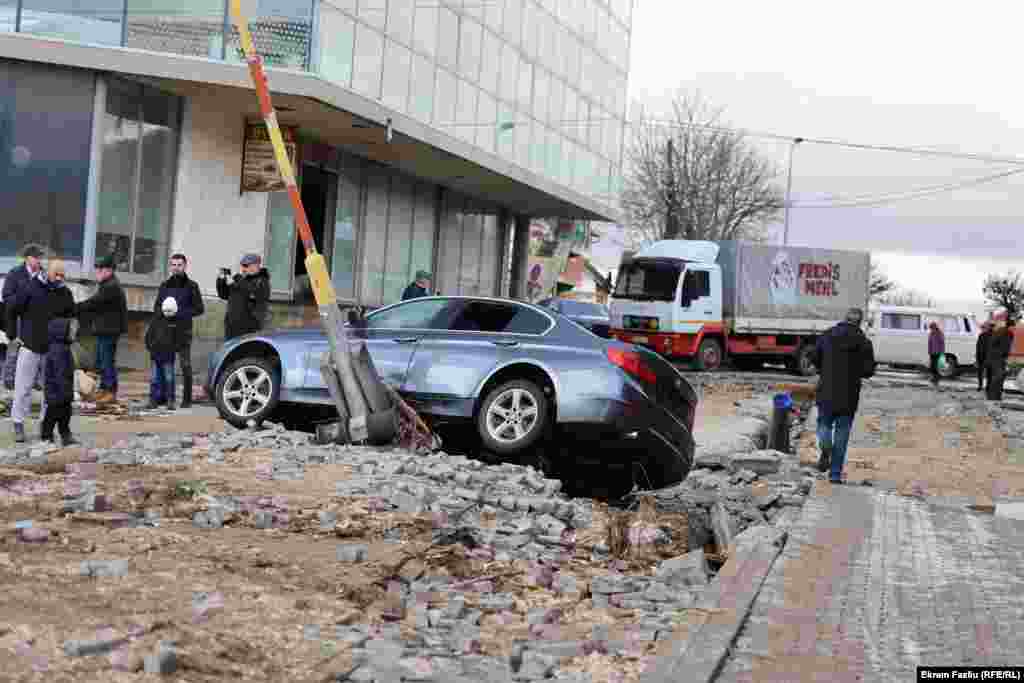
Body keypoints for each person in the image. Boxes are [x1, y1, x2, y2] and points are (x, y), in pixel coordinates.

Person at [7, 260, 75, 443]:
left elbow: (71, 318)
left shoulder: (65, 293)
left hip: (52, 350)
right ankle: (18, 424)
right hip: (29, 345)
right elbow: (12, 307)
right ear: (48, 272)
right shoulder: (31, 287)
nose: (59, 278)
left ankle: (45, 425)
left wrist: (66, 341)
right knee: (23, 387)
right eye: (56, 274)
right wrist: (13, 334)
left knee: (50, 391)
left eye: (62, 275)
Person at [810, 307, 876, 484]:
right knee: (842, 434)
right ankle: (835, 474)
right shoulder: (864, 343)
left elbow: (814, 357)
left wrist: (823, 367)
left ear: (844, 319)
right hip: (849, 396)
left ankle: (825, 447)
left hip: (827, 392)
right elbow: (869, 371)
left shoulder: (827, 336)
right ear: (859, 322)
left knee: (823, 424)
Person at [74, 256, 128, 404]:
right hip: (104, 329)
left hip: (109, 330)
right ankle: (103, 389)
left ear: (109, 270)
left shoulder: (111, 286)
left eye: (100, 269)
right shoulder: (106, 284)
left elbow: (94, 303)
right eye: (97, 269)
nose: (97, 272)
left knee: (107, 361)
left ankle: (110, 391)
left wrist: (73, 308)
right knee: (99, 362)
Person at [154, 254, 205, 408]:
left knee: (185, 365)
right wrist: (163, 312)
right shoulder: (165, 285)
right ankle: (164, 397)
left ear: (185, 266)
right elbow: (157, 306)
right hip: (166, 331)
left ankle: (187, 399)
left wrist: (180, 312)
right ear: (170, 266)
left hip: (183, 331)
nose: (176, 268)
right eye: (173, 265)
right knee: (165, 364)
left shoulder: (192, 286)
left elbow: (199, 309)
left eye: (179, 265)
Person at [2, 245, 44, 394]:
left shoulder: (42, 274)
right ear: (28, 258)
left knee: (36, 350)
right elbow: (6, 297)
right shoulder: (15, 274)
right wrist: (21, 299)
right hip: (18, 317)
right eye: (36, 257)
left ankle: (36, 381)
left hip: (37, 320)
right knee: (14, 348)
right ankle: (9, 380)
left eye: (40, 258)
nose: (39, 260)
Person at [41, 318, 79, 446]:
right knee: (52, 414)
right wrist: (65, 390)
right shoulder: (58, 350)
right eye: (71, 330)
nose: (74, 333)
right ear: (61, 332)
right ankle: (46, 436)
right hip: (57, 390)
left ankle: (65, 435)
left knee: (65, 414)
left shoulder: (63, 348)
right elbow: (60, 373)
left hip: (62, 389)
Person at [217, 254, 270, 340]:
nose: (244, 268)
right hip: (232, 326)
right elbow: (224, 295)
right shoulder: (242, 281)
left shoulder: (262, 281)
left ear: (256, 266)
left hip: (248, 327)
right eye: (242, 265)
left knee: (246, 351)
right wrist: (221, 280)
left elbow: (252, 292)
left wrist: (237, 277)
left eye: (246, 265)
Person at [145, 297, 183, 411]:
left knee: (169, 378)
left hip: (168, 356)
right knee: (154, 379)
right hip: (155, 354)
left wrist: (175, 348)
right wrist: (150, 346)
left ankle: (170, 400)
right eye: (166, 311)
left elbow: (179, 338)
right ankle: (153, 400)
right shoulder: (156, 320)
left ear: (175, 310)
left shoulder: (176, 322)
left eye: (170, 312)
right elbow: (149, 336)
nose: (167, 314)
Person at [985, 311, 1013, 402]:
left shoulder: (1000, 332)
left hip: (995, 358)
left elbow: (993, 345)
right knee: (998, 377)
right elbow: (1004, 347)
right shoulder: (1006, 333)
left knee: (998, 377)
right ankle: (994, 397)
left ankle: (994, 396)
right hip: (998, 358)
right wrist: (1004, 356)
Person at [976, 321, 993, 392]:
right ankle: (982, 386)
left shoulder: (994, 336)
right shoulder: (982, 335)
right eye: (990, 326)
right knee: (981, 372)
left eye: (992, 326)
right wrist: (977, 356)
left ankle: (986, 387)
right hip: (982, 356)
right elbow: (978, 346)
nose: (990, 328)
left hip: (988, 356)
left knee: (988, 372)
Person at [927, 321, 945, 386]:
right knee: (932, 366)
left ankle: (937, 379)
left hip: (938, 352)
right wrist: (929, 351)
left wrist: (942, 353)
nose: (931, 329)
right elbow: (929, 343)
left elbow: (942, 344)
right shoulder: (931, 334)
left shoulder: (940, 333)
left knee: (937, 366)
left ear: (935, 327)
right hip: (932, 352)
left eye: (932, 328)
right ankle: (934, 378)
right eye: (931, 328)